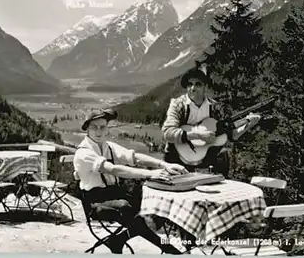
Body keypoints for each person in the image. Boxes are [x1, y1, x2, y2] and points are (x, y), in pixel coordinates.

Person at [74, 108, 188, 254]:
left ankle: (119, 239)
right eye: (93, 127)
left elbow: (134, 157)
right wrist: (150, 174)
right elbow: (113, 169)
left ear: (107, 128)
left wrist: (164, 165)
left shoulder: (108, 146)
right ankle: (168, 249)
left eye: (102, 127)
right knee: (127, 209)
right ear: (87, 129)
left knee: (153, 205)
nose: (98, 131)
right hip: (95, 201)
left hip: (114, 194)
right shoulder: (84, 152)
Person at [162, 66, 261, 175]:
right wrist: (198, 135)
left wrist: (248, 124)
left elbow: (232, 135)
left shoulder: (216, 108)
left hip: (205, 161)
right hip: (176, 159)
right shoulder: (178, 105)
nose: (192, 88)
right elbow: (167, 133)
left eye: (198, 84)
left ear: (205, 86)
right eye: (190, 84)